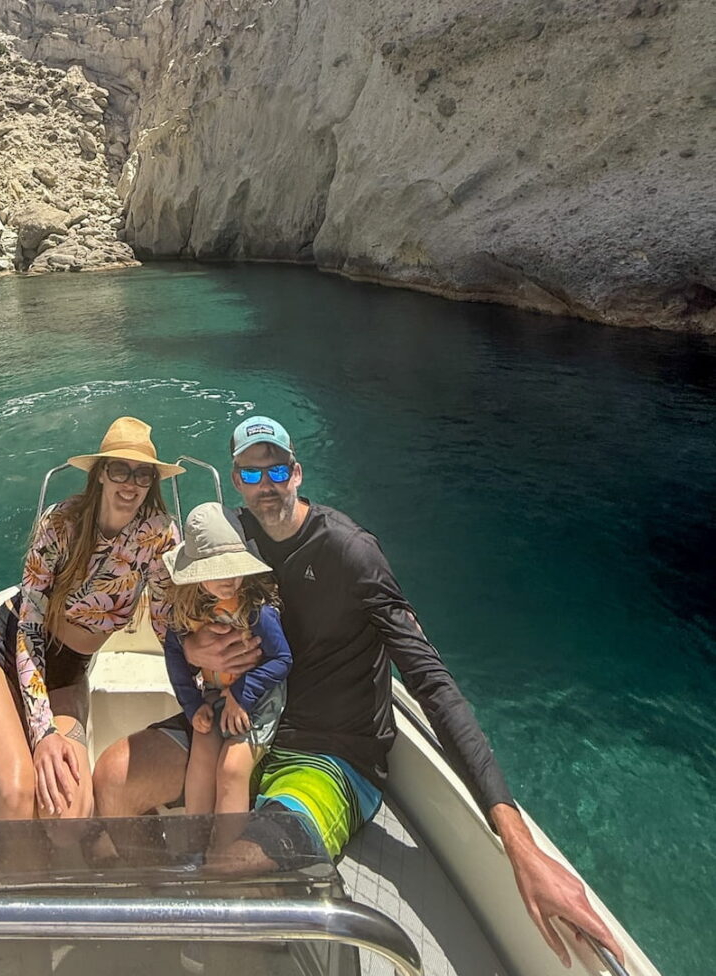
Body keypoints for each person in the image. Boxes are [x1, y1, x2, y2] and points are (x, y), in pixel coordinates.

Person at [93, 415, 624, 968]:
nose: (267, 485)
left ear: (296, 472)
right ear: (235, 479)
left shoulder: (351, 553)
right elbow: (174, 612)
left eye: (278, 469)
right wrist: (198, 648)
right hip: (243, 717)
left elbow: (431, 683)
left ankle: (233, 939)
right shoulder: (231, 542)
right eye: (253, 474)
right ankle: (161, 938)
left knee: (236, 866)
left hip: (329, 750)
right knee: (112, 776)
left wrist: (517, 842)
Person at [0, 416, 182, 822]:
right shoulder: (61, 524)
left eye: (142, 474)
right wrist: (43, 733)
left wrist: (199, 691)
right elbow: (29, 626)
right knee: (18, 791)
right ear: (100, 475)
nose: (130, 484)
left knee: (69, 807)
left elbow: (165, 624)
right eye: (119, 469)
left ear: (152, 482)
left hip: (68, 672)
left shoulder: (159, 536)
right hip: (4, 657)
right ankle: (12, 882)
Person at [162, 501, 291, 852]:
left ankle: (223, 858)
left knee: (232, 769)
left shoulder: (257, 611)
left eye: (233, 568)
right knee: (202, 757)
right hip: (215, 695)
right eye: (217, 570)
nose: (229, 578)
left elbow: (282, 660)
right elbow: (174, 654)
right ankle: (194, 849)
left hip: (258, 698)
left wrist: (240, 697)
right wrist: (191, 705)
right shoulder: (189, 611)